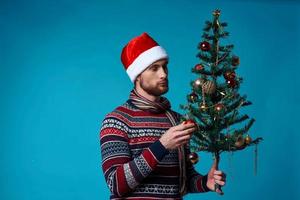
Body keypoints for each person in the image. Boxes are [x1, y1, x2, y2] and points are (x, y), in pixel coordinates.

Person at [100, 32, 226, 199]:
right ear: (138, 75)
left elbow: (182, 181)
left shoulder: (177, 121)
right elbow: (116, 184)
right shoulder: (116, 121)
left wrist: (205, 182)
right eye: (154, 68)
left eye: (164, 66)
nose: (164, 74)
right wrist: (162, 145)